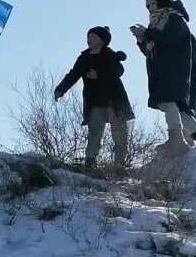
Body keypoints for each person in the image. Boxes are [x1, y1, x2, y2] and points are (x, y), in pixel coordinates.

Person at [130, 0, 196, 155]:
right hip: (162, 71)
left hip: (174, 71)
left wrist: (147, 33)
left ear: (162, 2)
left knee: (168, 103)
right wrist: (141, 39)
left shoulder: (174, 19)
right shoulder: (156, 23)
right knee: (179, 110)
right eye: (147, 5)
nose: (149, 8)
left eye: (152, 3)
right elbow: (151, 50)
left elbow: (169, 39)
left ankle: (176, 139)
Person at [54, 26, 135, 171]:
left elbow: (118, 70)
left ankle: (120, 167)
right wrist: (61, 89)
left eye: (93, 36)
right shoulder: (84, 57)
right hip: (96, 102)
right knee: (94, 134)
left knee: (120, 135)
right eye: (88, 36)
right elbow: (74, 74)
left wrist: (100, 75)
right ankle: (90, 164)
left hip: (114, 101)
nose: (89, 39)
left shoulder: (110, 55)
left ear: (103, 40)